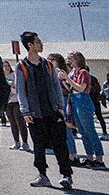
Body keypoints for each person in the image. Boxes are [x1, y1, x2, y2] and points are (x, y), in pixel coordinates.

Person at [16, 31, 73, 189]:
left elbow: (56, 86)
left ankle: (66, 175)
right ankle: (42, 175)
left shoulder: (47, 64)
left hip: (53, 112)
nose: (41, 44)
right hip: (35, 115)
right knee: (39, 146)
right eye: (38, 41)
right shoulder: (21, 66)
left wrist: (60, 108)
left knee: (60, 144)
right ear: (30, 45)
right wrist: (25, 111)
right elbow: (21, 91)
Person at [62, 52, 104, 168]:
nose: (69, 58)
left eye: (72, 57)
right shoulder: (72, 72)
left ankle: (99, 159)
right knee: (83, 132)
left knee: (90, 131)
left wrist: (67, 79)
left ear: (77, 59)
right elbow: (70, 88)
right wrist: (63, 80)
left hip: (83, 101)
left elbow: (81, 88)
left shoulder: (83, 72)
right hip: (75, 100)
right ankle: (90, 157)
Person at [3, 59, 31, 151]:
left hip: (16, 101)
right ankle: (16, 142)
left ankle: (25, 143)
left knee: (20, 122)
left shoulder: (14, 75)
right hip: (7, 102)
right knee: (12, 122)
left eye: (7, 65)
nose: (6, 67)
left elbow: (17, 87)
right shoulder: (1, 77)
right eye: (4, 66)